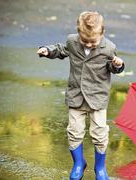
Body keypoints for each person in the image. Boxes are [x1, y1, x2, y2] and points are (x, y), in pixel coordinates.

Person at [37, 11, 124, 180]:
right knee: (74, 132)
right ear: (78, 33)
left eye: (94, 41)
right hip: (76, 96)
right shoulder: (72, 41)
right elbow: (61, 49)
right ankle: (78, 163)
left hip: (97, 98)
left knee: (99, 134)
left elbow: (113, 68)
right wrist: (48, 50)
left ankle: (100, 168)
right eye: (85, 40)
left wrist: (118, 65)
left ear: (102, 33)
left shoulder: (109, 48)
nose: (90, 44)